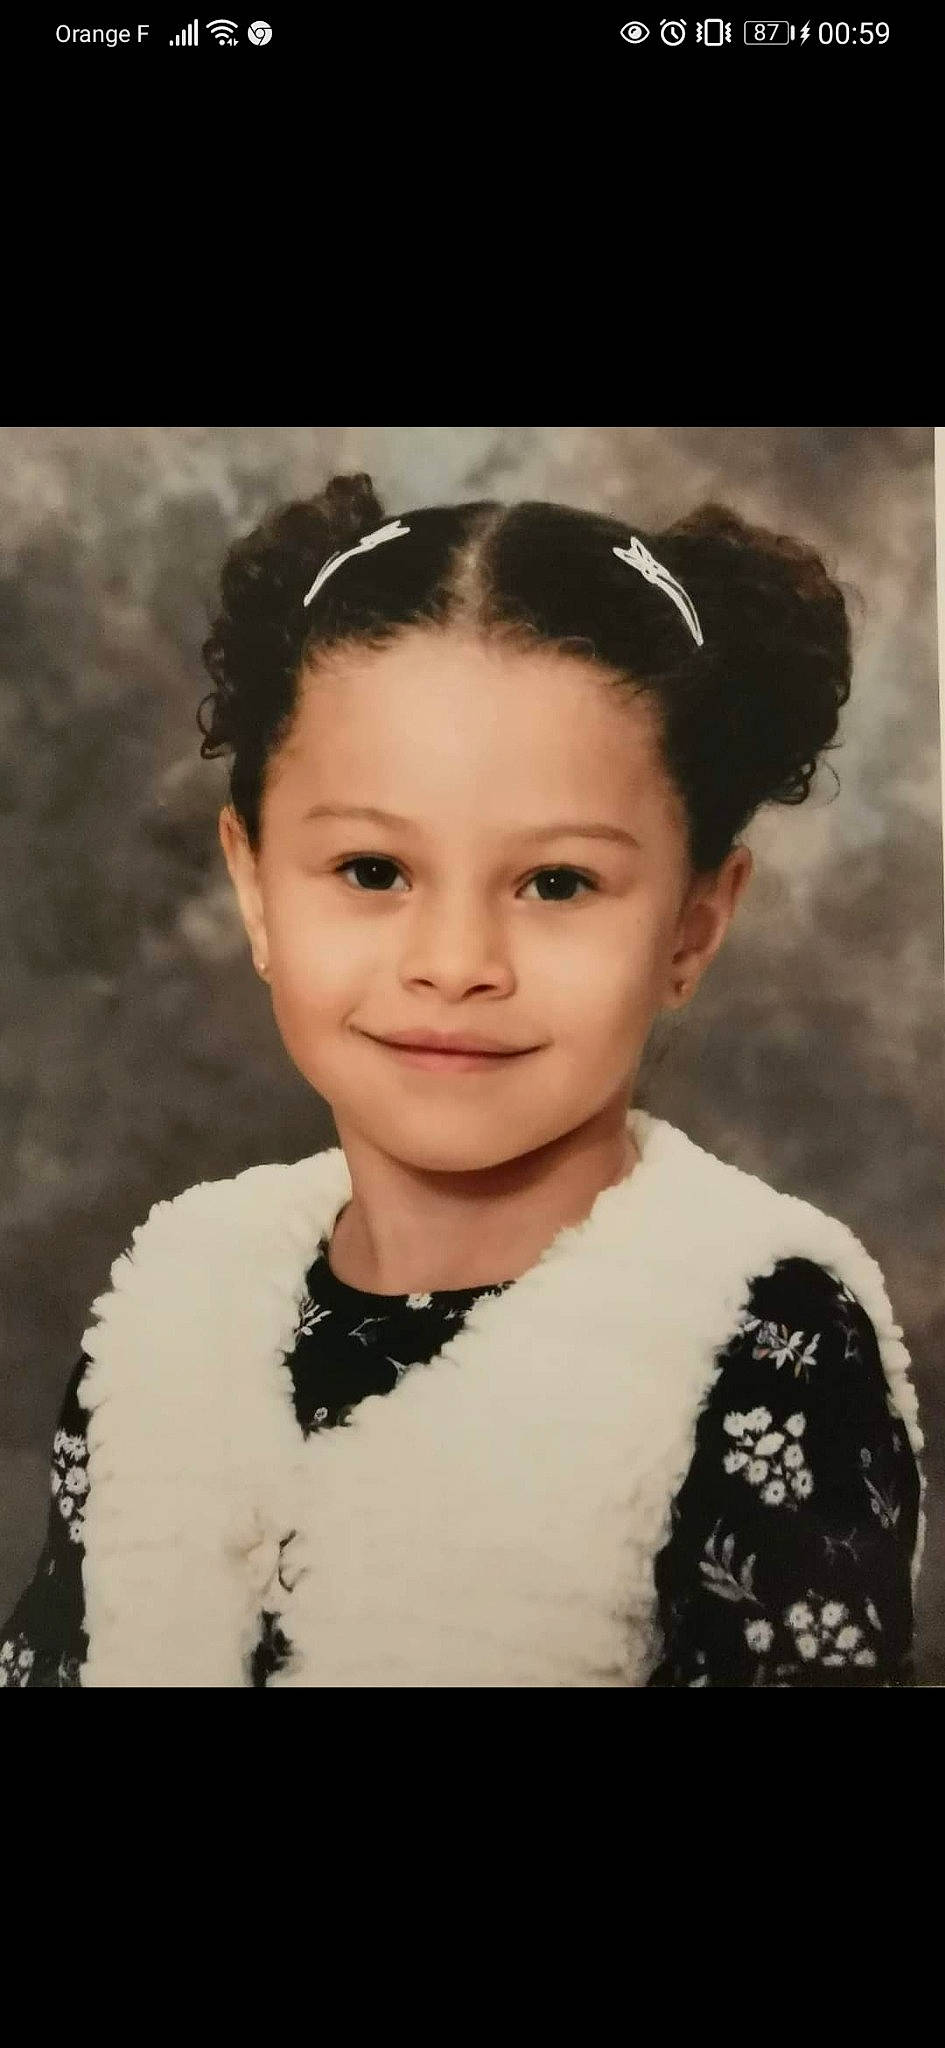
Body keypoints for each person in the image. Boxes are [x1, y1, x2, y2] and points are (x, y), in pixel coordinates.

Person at [0, 474, 924, 1689]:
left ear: (695, 925)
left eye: (556, 883)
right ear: (257, 884)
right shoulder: (172, 1302)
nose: (454, 965)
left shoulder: (761, 1337)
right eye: (373, 867)